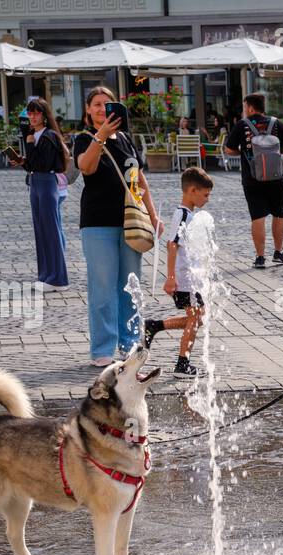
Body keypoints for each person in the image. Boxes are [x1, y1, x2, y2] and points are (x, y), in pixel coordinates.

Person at [73, 86, 162, 367]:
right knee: (102, 287)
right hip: (98, 223)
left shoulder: (124, 138)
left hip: (130, 223)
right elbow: (85, 168)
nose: (102, 109)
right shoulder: (84, 138)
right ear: (88, 110)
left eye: (107, 104)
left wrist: (154, 214)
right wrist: (100, 137)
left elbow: (139, 179)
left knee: (129, 286)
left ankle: (129, 342)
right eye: (97, 104)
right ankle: (102, 348)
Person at [143, 166, 213, 379]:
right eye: (205, 194)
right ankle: (182, 364)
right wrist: (171, 278)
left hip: (190, 278)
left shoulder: (189, 214)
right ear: (192, 190)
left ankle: (154, 326)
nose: (207, 199)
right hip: (184, 279)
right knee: (195, 317)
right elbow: (172, 245)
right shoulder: (182, 214)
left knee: (198, 318)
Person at [224, 93, 283, 269]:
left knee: (257, 217)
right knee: (279, 215)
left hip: (252, 179)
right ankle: (278, 253)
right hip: (276, 179)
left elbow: (229, 150)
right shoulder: (276, 124)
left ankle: (260, 257)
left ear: (250, 108)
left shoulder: (242, 126)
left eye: (244, 107)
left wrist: (245, 152)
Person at [11, 97, 68, 290]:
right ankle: (45, 275)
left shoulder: (48, 136)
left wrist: (29, 145)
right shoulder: (35, 135)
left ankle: (58, 278)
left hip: (46, 183)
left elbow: (43, 164)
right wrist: (22, 161)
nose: (33, 116)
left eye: (36, 113)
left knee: (50, 231)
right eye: (30, 113)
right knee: (41, 230)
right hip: (36, 182)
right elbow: (33, 165)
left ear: (44, 116)